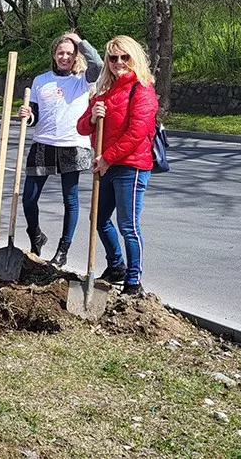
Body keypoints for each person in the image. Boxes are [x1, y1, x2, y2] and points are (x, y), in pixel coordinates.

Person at [76, 35, 159, 295]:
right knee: (99, 219)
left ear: (134, 58)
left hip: (131, 166)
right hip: (107, 165)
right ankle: (116, 265)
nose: (119, 62)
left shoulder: (142, 89)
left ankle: (133, 280)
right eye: (113, 58)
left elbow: (137, 132)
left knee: (128, 225)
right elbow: (81, 127)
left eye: (125, 57)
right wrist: (92, 117)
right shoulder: (105, 91)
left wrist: (107, 158)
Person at [18, 32, 102, 266]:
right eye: (60, 53)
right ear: (54, 56)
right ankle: (36, 236)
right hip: (43, 143)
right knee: (29, 199)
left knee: (70, 199)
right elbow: (34, 115)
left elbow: (98, 63)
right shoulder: (40, 81)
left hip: (72, 144)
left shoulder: (84, 79)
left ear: (75, 56)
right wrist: (28, 115)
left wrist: (79, 41)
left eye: (69, 53)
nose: (64, 57)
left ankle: (63, 250)